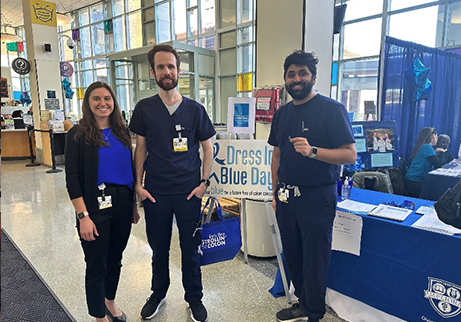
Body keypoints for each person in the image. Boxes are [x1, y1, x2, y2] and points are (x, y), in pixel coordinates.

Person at [268, 50, 357, 322]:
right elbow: (277, 155)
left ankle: (315, 314)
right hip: (285, 198)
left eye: (302, 73)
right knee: (293, 255)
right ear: (285, 79)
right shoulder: (282, 114)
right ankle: (303, 303)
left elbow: (350, 154)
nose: (296, 79)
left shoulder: (331, 110)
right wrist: (274, 192)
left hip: (317, 198)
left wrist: (314, 151)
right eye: (291, 74)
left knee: (315, 260)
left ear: (313, 77)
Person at [129, 44, 215, 322]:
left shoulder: (195, 109)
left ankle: (194, 298)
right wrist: (138, 186)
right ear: (152, 71)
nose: (167, 71)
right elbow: (140, 149)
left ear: (179, 70)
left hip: (189, 191)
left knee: (190, 249)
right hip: (155, 192)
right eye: (161, 67)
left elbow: (208, 148)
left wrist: (204, 182)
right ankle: (158, 293)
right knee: (159, 248)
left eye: (171, 66)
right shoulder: (144, 109)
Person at [65, 81, 139, 322]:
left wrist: (133, 206)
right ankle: (99, 316)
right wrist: (82, 217)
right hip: (94, 205)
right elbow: (72, 178)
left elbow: (129, 169)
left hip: (123, 203)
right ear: (88, 103)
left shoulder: (121, 131)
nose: (102, 103)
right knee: (96, 263)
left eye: (107, 98)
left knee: (115, 258)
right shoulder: (77, 135)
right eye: (96, 98)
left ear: (113, 102)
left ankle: (110, 302)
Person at [404, 127, 442, 197]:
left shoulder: (423, 146)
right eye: (437, 136)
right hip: (414, 183)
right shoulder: (427, 147)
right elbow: (438, 165)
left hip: (410, 181)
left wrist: (435, 152)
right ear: (433, 136)